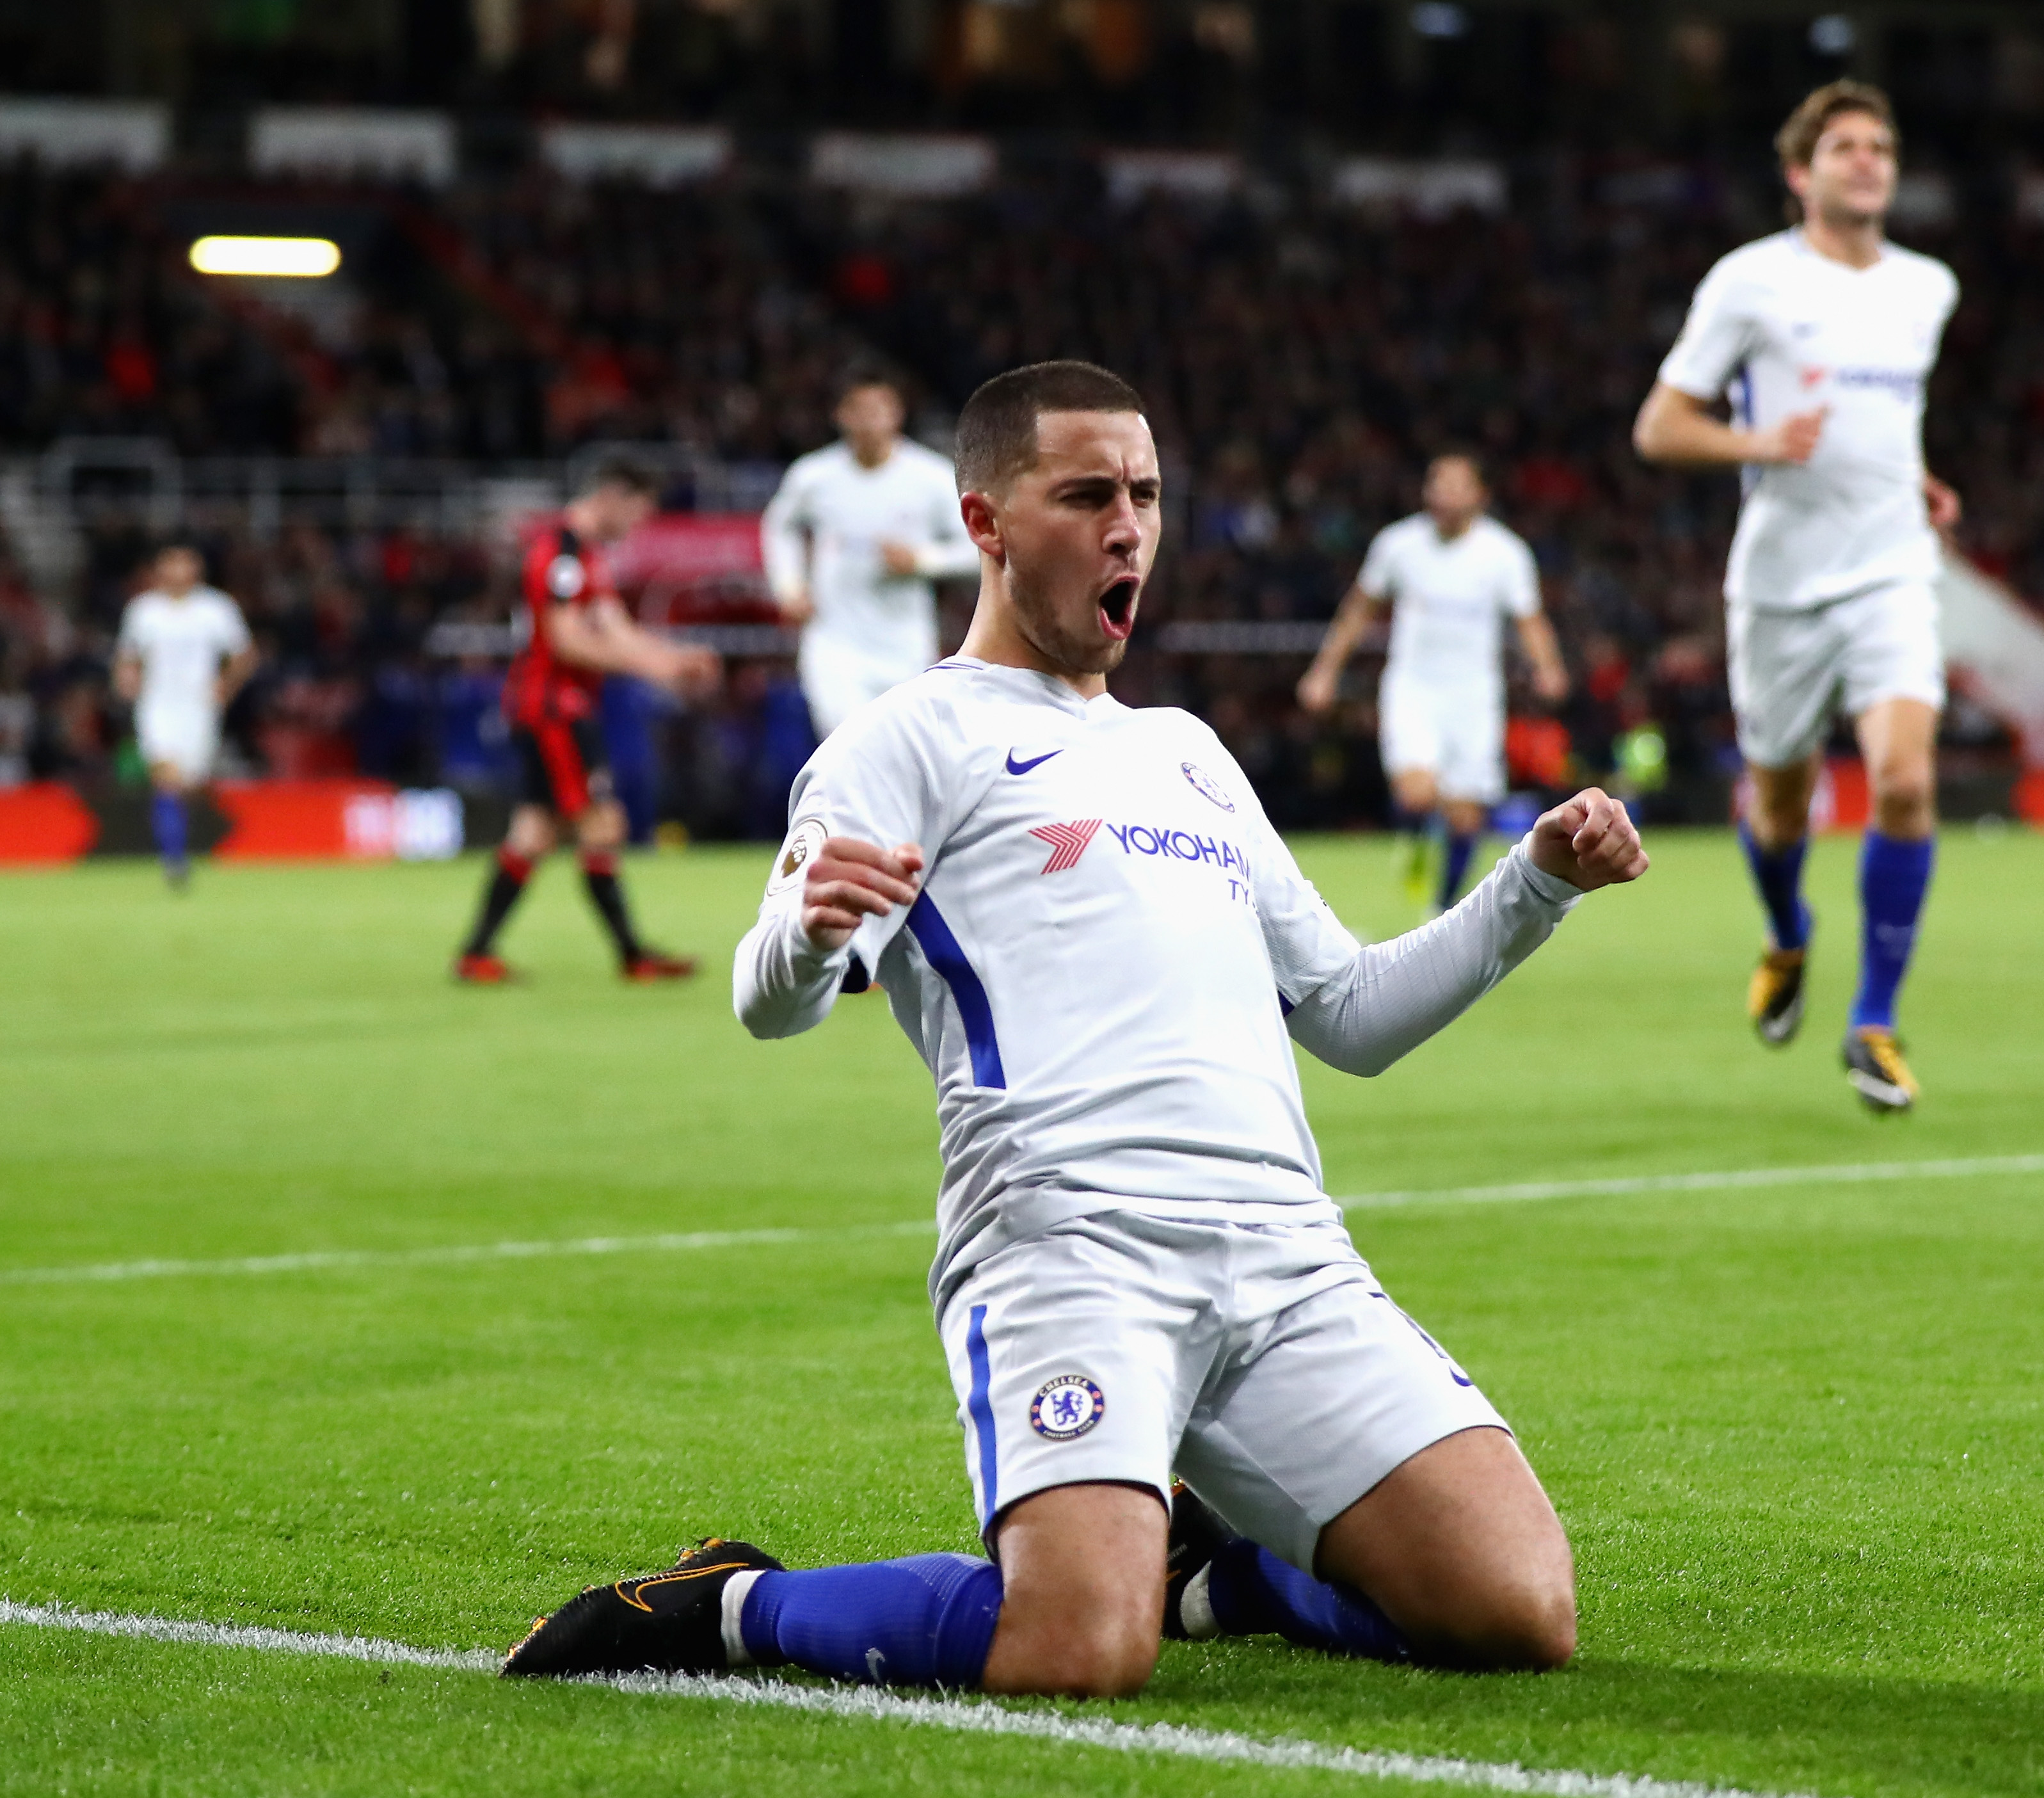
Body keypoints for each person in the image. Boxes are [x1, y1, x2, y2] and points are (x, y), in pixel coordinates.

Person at [500, 360, 1648, 1696]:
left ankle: (1227, 1577)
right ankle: (729, 1606)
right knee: (1077, 1652)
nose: (1129, 527)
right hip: (1070, 1247)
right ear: (985, 524)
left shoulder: (1190, 753)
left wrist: (1534, 886)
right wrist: (808, 933)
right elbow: (770, 1001)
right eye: (1088, 494)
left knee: (1518, 1611)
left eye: (1147, 495)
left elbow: (1349, 1016)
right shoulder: (907, 739)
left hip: (1283, 1254)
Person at [1632, 79, 1961, 1116]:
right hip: (1778, 584)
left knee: (1903, 784)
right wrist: (1756, 442)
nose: (1867, 160)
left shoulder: (1927, 288)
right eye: (1844, 147)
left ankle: (1871, 1021)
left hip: (1892, 568)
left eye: (1881, 145)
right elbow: (1659, 427)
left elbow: (1882, 416)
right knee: (1780, 809)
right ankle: (1785, 933)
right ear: (1798, 173)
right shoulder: (1748, 283)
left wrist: (1913, 477)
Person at [454, 460, 719, 984]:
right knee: (603, 824)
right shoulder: (562, 555)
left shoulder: (587, 556)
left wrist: (672, 663)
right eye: (637, 512)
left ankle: (476, 954)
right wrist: (655, 666)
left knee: (533, 833)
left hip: (556, 707)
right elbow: (566, 639)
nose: (636, 526)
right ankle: (632, 955)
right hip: (555, 709)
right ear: (613, 496)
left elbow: (615, 629)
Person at [1298, 455, 1569, 914]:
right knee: (1416, 792)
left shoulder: (1504, 554)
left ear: (1479, 496)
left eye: (1456, 485)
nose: (1443, 494)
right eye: (1437, 483)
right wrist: (1324, 670)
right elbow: (1358, 609)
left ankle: (1442, 910)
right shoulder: (1398, 544)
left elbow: (1530, 620)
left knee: (1467, 816)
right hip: (1413, 688)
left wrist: (1549, 667)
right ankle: (1418, 840)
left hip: (1474, 695)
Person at [762, 365, 982, 739]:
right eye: (857, 409)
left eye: (878, 408)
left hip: (905, 644)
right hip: (834, 643)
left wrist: (922, 560)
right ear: (840, 415)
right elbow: (779, 526)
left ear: (898, 412)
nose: (868, 420)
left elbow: (977, 549)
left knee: (902, 751)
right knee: (845, 746)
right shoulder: (813, 476)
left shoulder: (931, 476)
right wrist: (789, 586)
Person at [112, 542, 257, 889]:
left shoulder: (216, 609)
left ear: (197, 571)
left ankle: (179, 846)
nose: (178, 574)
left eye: (185, 567)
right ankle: (174, 862)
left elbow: (244, 654)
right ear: (160, 571)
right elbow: (127, 655)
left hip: (198, 708)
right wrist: (126, 679)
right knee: (166, 777)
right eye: (171, 567)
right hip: (158, 705)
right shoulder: (144, 610)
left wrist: (225, 686)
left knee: (187, 786)